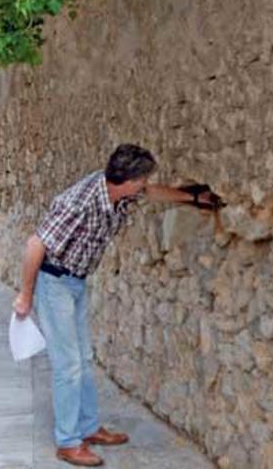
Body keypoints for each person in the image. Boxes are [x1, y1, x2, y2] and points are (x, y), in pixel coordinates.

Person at [13, 144, 218, 467]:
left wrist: (192, 198)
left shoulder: (118, 189)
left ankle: (89, 427)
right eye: (142, 179)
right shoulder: (77, 203)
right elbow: (35, 244)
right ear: (127, 180)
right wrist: (25, 295)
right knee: (68, 366)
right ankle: (68, 442)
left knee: (84, 358)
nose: (144, 184)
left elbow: (153, 193)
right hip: (54, 284)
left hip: (76, 281)